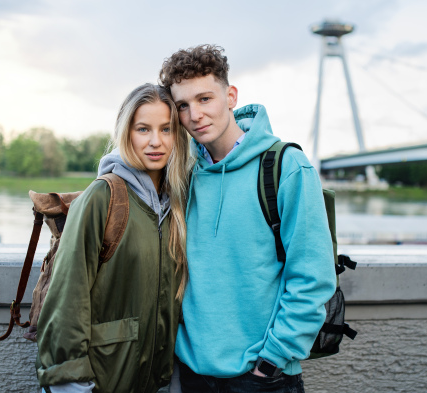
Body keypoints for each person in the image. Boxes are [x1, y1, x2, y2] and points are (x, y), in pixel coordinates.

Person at [158, 44, 337, 393]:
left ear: (230, 96)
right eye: (183, 105)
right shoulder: (184, 173)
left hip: (262, 378)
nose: (195, 115)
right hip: (191, 374)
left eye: (205, 98)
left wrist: (271, 360)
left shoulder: (286, 168)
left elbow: (312, 278)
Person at [35, 83, 192, 393]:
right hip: (99, 382)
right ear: (126, 132)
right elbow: (68, 294)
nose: (155, 142)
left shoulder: (177, 205)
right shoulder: (102, 197)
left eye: (166, 129)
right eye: (143, 129)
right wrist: (72, 383)